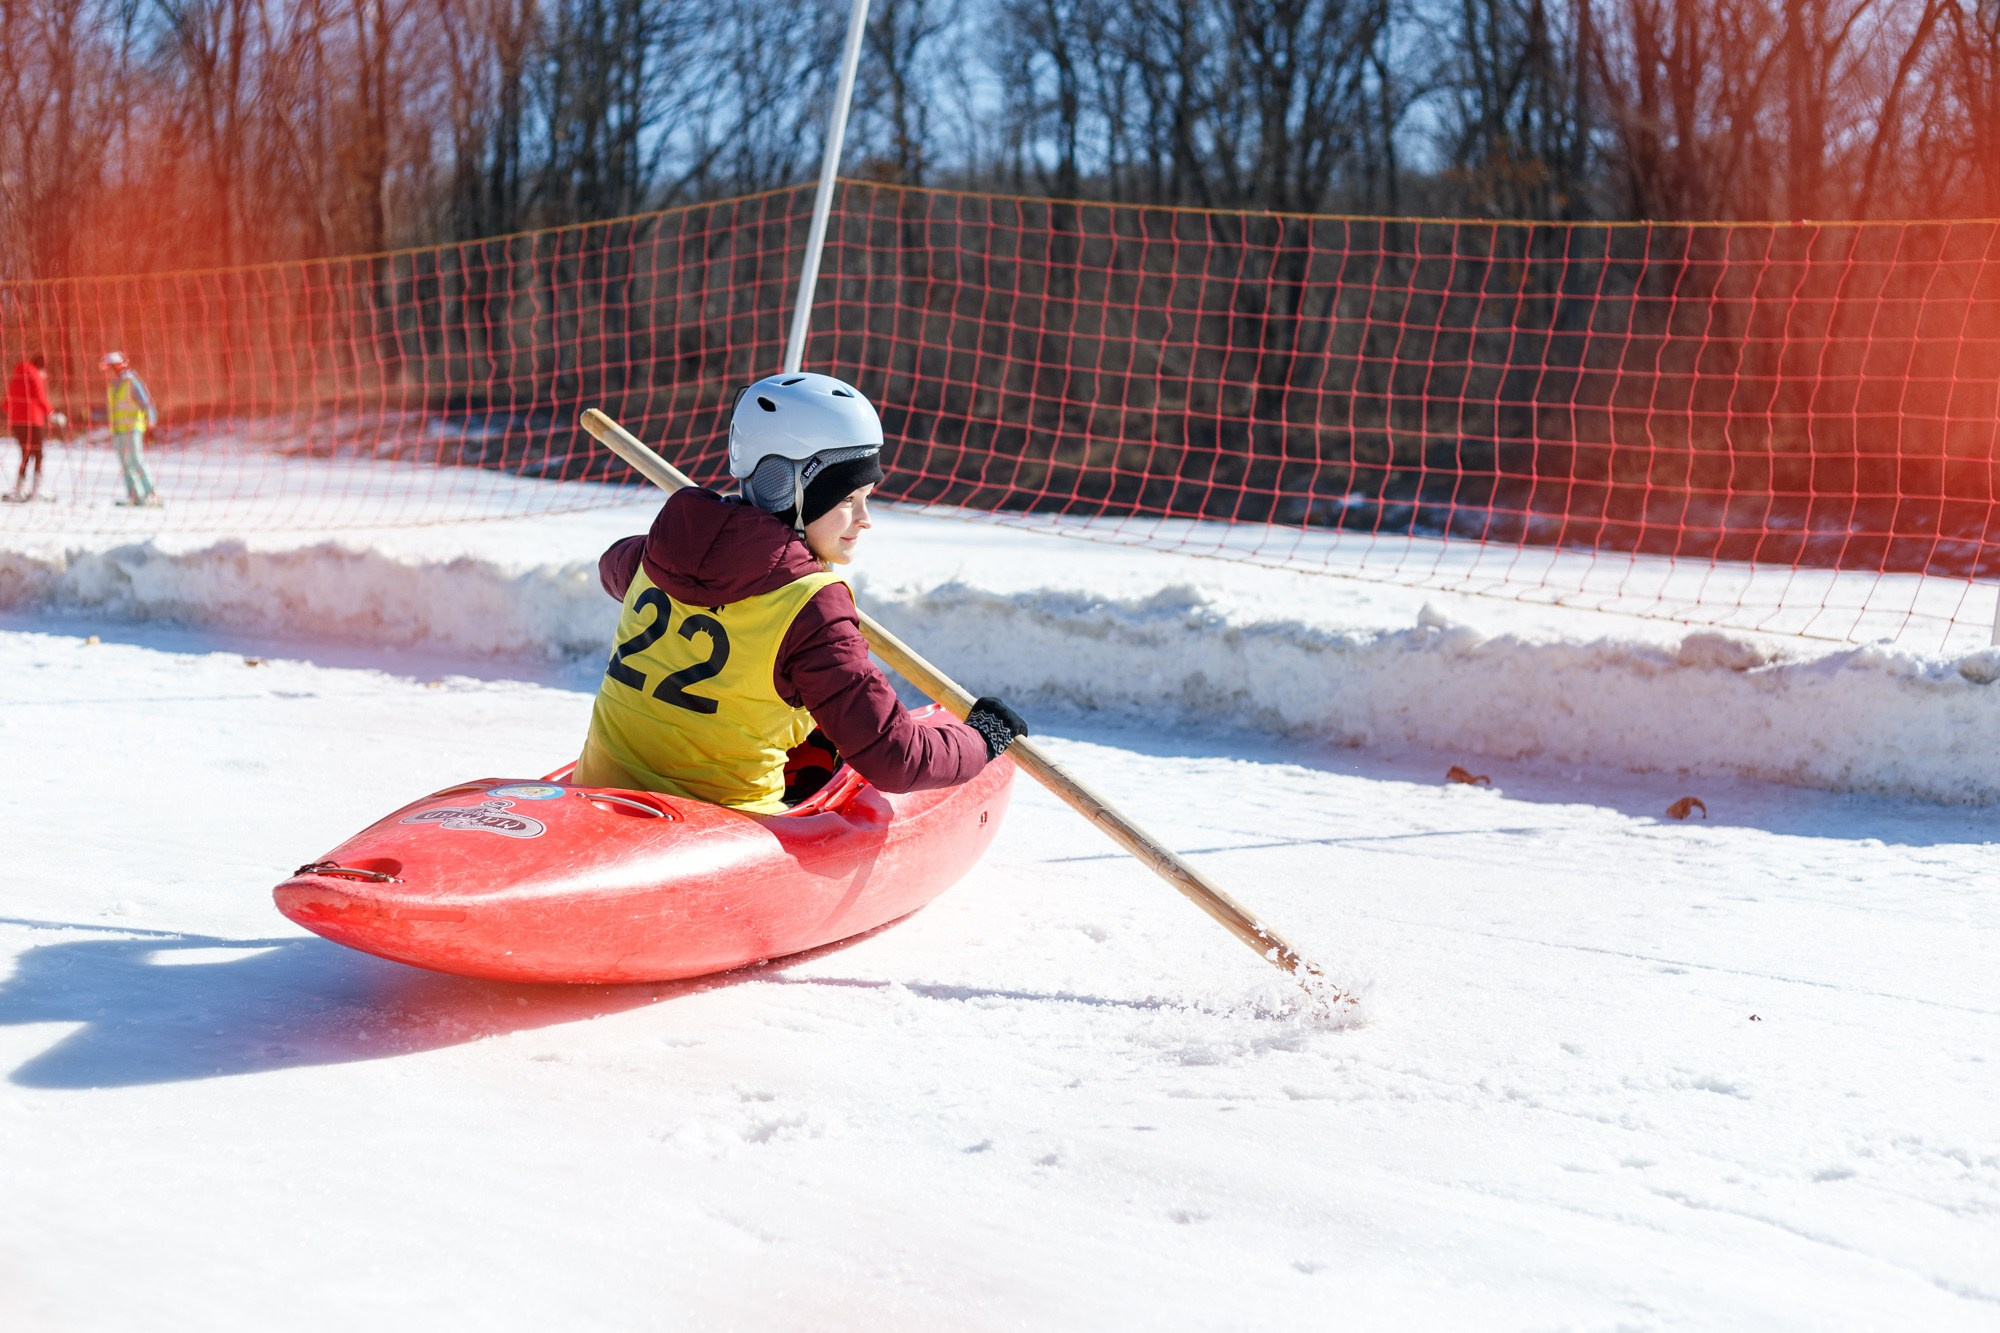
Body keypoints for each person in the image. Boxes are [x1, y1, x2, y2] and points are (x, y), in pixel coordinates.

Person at [572, 371, 1028, 812]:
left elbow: (614, 565)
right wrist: (980, 740)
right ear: (789, 491)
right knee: (834, 732)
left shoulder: (660, 552)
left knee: (806, 712)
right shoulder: (812, 606)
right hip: (717, 828)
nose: (865, 518)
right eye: (849, 499)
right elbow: (893, 758)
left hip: (597, 792)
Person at [102, 351, 160, 507]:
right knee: (125, 463)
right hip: (118, 430)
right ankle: (135, 495)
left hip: (133, 428)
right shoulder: (112, 386)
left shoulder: (131, 382)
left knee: (136, 460)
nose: (106, 373)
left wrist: (151, 423)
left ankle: (151, 494)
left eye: (109, 368)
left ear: (117, 366)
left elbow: (146, 403)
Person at [4, 353, 52, 501]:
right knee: (38, 453)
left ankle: (20, 489)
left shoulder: (17, 376)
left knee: (25, 453)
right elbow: (38, 395)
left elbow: (8, 400)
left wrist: (8, 412)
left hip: (17, 422)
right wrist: (51, 412)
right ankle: (37, 489)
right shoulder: (34, 375)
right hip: (32, 420)